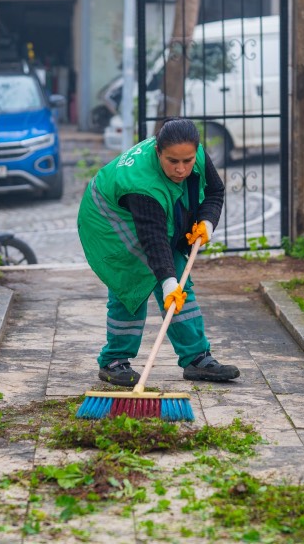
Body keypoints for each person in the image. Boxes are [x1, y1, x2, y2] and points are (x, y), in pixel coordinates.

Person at [76, 118, 241, 387]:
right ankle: (114, 360)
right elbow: (154, 239)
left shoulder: (196, 154)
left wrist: (206, 223)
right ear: (157, 152)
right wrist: (167, 282)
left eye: (187, 161)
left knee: (180, 283)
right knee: (132, 284)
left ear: (196, 151)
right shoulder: (142, 184)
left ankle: (197, 358)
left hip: (145, 214)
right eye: (172, 161)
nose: (181, 169)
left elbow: (215, 191)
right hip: (108, 220)